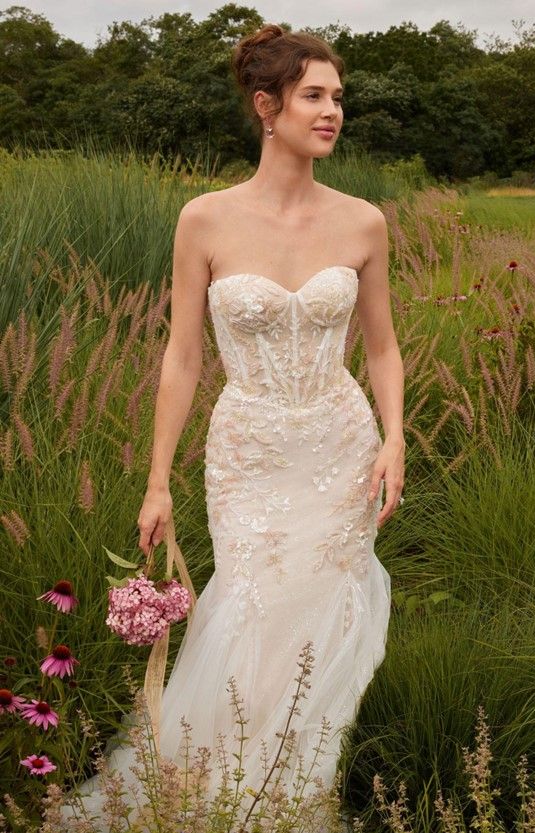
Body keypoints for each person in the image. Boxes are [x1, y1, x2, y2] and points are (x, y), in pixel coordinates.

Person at [60, 22, 405, 829]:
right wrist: (156, 479)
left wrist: (394, 436)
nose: (331, 112)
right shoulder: (204, 220)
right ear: (266, 106)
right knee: (249, 608)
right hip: (247, 449)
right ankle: (213, 789)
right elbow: (181, 358)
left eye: (337, 98)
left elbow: (384, 349)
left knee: (326, 615)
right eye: (313, 96)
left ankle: (292, 796)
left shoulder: (361, 222)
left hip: (338, 445)